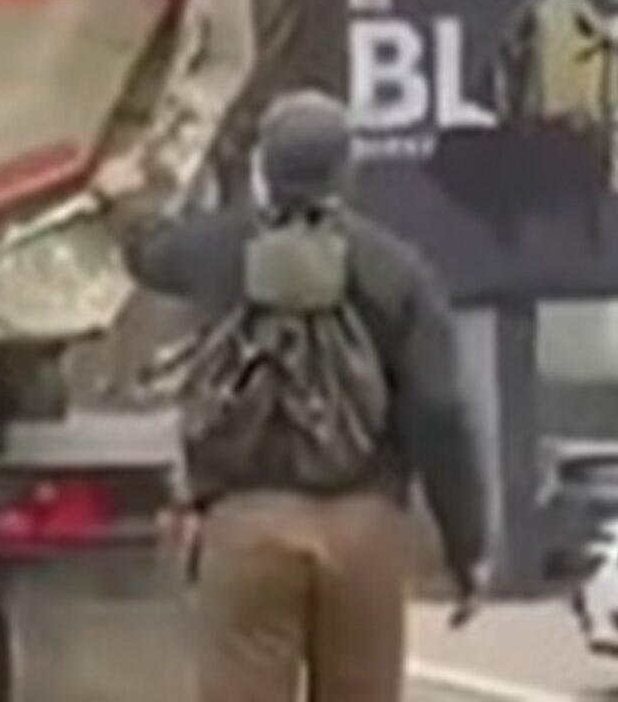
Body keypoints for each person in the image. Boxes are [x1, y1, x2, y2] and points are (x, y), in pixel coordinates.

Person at [98, 90, 487, 702]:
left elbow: (149, 253)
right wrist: (468, 549)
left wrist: (124, 195)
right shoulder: (395, 269)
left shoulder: (220, 248)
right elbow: (440, 412)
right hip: (365, 530)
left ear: (264, 168)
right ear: (346, 170)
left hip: (247, 527)